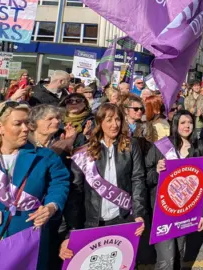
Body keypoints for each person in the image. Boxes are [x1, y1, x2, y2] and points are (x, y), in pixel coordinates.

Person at [0, 101, 70, 269]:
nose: (26, 128)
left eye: (27, 123)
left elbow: (60, 183)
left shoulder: (45, 157)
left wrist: (51, 206)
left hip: (26, 248)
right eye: (18, 123)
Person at [59, 103, 147, 261]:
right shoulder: (84, 151)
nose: (115, 125)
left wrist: (139, 213)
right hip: (92, 221)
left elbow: (138, 179)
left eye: (118, 119)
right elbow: (75, 193)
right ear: (99, 122)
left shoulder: (131, 146)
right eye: (109, 120)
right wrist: (70, 231)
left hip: (122, 217)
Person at [145, 110, 203, 269]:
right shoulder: (162, 147)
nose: (187, 126)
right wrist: (156, 170)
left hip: (186, 212)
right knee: (166, 260)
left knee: (180, 256)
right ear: (175, 124)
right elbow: (146, 177)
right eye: (182, 122)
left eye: (190, 122)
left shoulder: (200, 148)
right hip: (163, 212)